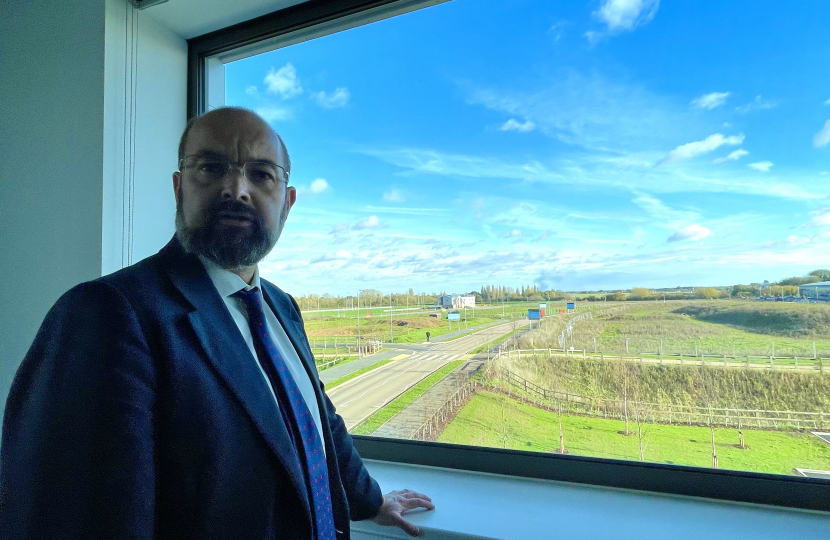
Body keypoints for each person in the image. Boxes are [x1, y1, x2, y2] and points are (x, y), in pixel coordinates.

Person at [0, 107, 433, 539]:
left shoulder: (282, 307)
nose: (236, 189)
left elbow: (317, 421)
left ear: (288, 203)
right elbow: (75, 516)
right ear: (178, 188)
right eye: (211, 167)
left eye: (262, 174)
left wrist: (370, 500)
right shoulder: (107, 313)